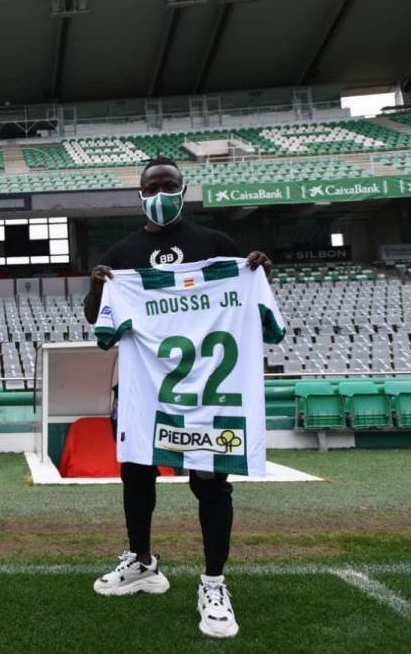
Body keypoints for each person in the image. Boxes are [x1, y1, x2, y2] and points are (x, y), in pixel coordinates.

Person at [83, 156, 271, 639]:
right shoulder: (123, 254)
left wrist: (255, 275)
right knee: (136, 472)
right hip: (143, 390)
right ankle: (143, 561)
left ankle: (213, 582)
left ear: (183, 189)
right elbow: (98, 327)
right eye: (153, 186)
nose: (161, 192)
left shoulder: (216, 245)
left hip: (206, 394)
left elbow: (254, 315)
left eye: (169, 184)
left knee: (210, 482)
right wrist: (98, 286)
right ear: (141, 195)